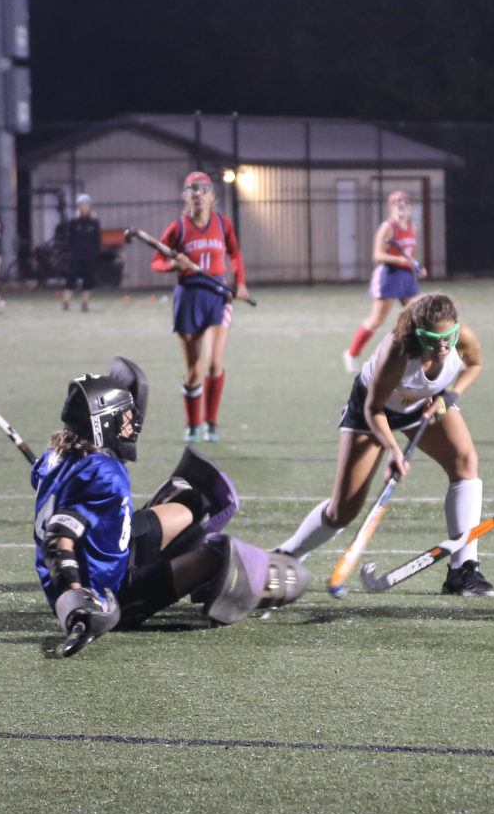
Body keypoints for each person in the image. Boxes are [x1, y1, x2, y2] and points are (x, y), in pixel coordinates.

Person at [32, 356, 309, 653]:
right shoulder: (103, 472)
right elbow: (57, 540)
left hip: (111, 553)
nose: (131, 420)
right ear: (102, 422)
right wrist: (78, 604)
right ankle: (239, 582)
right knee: (222, 555)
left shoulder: (51, 459)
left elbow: (50, 486)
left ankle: (187, 570)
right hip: (112, 594)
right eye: (123, 415)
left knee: (195, 499)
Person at [276, 291, 494, 597]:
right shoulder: (398, 352)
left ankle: (463, 570)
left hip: (422, 404)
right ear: (419, 335)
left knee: (465, 462)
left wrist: (450, 396)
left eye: (450, 336)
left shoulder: (460, 338)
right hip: (374, 412)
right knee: (343, 510)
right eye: (434, 339)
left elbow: (474, 365)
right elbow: (373, 409)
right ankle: (286, 556)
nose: (444, 346)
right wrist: (393, 450)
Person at [151, 171, 250, 442]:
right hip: (189, 297)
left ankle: (211, 423)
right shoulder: (178, 228)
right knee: (194, 370)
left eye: (204, 189)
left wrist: (239, 282)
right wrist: (173, 264)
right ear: (186, 196)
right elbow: (156, 261)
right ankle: (193, 424)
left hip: (217, 295)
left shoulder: (223, 223)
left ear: (212, 196)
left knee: (215, 363)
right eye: (193, 190)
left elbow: (235, 253)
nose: (199, 194)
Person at [341, 189, 425, 371]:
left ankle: (415, 358)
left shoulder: (412, 227)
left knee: (419, 315)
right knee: (377, 319)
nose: (402, 206)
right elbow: (378, 255)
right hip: (389, 275)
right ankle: (352, 353)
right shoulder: (388, 226)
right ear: (391, 207)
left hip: (407, 277)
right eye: (397, 203)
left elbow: (409, 254)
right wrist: (400, 260)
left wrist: (416, 266)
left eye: (405, 203)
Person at [58, 193, 104, 313]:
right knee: (71, 278)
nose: (84, 207)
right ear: (78, 207)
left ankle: (84, 303)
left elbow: (97, 241)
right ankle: (66, 302)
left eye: (86, 205)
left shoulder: (94, 222)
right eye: (82, 205)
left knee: (89, 280)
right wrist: (69, 253)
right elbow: (69, 240)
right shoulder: (74, 223)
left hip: (90, 256)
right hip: (76, 256)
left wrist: (96, 255)